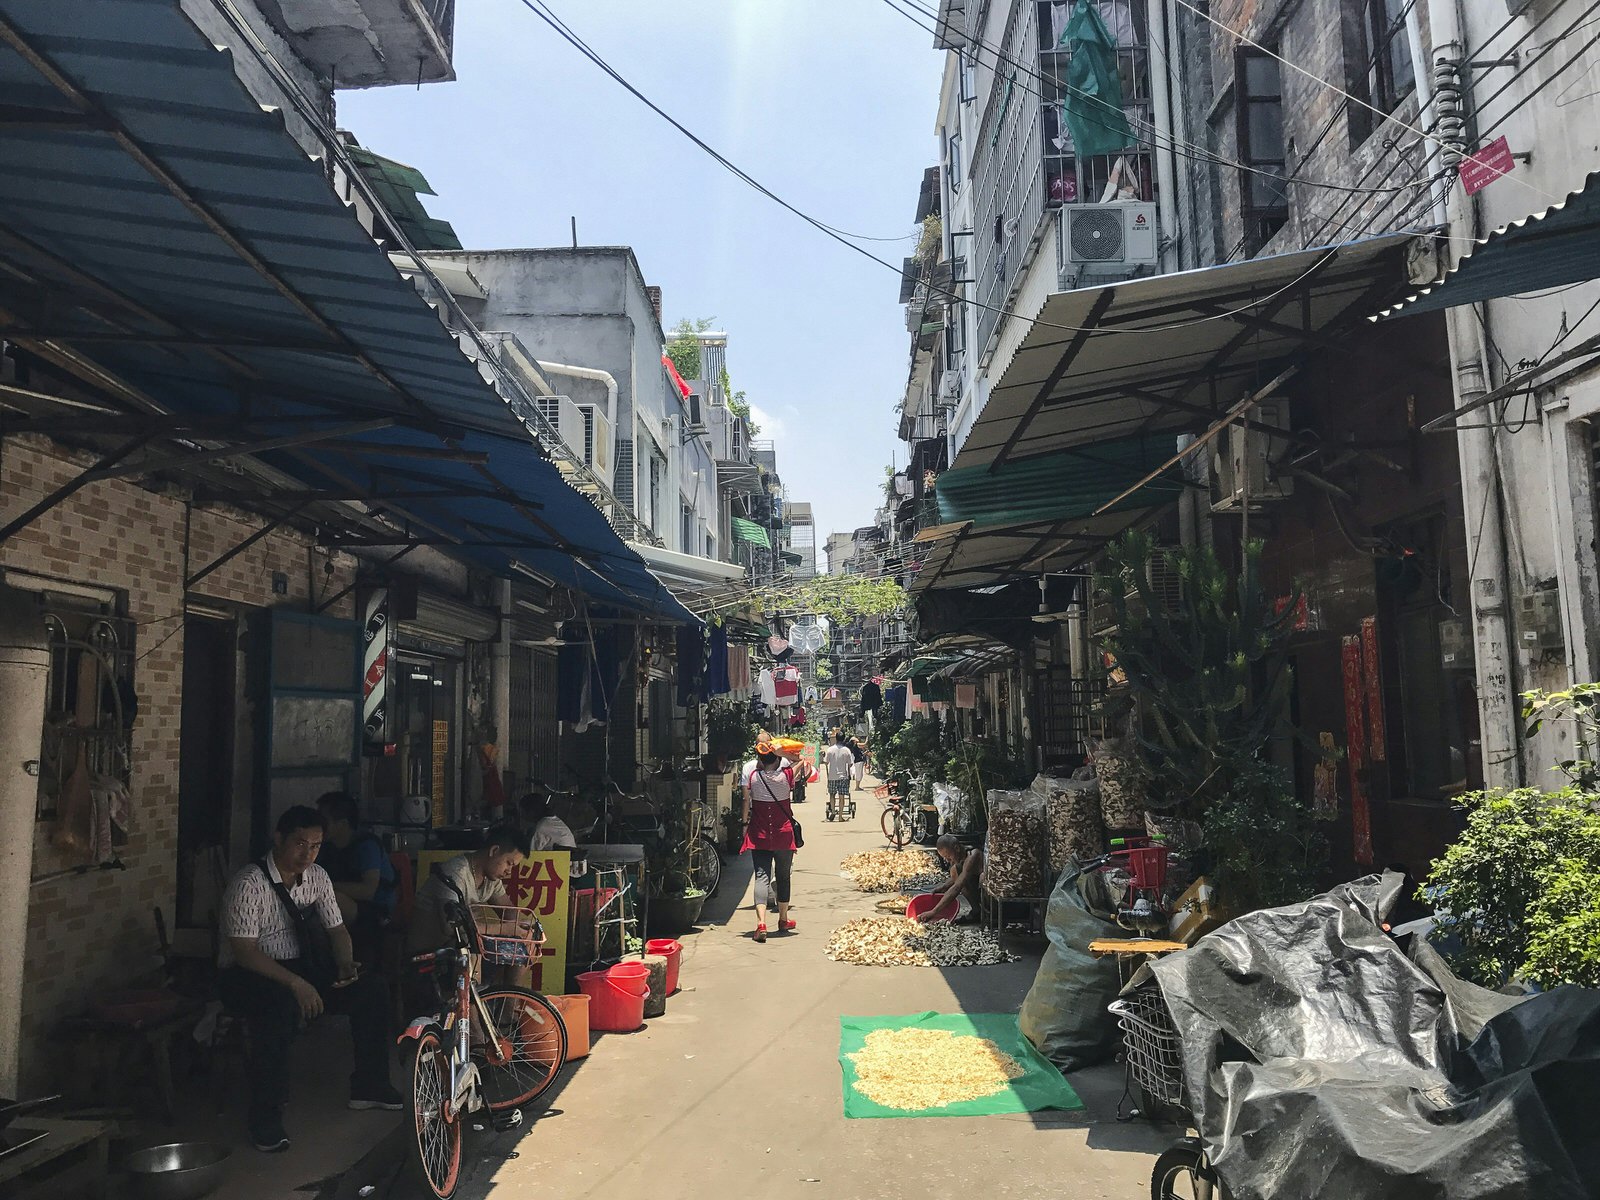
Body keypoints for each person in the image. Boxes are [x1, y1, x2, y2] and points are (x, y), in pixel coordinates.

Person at [217, 806, 401, 1154]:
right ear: (278, 839)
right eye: (300, 843)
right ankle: (266, 1117)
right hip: (248, 975)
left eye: (316, 845)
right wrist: (296, 985)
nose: (307, 853)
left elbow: (337, 930)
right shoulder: (248, 883)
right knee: (278, 1008)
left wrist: (346, 965)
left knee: (372, 989)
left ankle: (370, 1086)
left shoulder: (317, 876)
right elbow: (244, 952)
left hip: (301, 967)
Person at [316, 792, 396, 964]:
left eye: (324, 820)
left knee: (330, 901)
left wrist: (327, 887)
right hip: (345, 906)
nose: (318, 825)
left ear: (342, 824)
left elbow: (368, 891)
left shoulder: (366, 846)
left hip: (375, 911)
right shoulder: (325, 848)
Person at [740, 741, 799, 943]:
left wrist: (744, 823)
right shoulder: (786, 776)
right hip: (784, 835)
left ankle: (761, 923)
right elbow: (800, 760)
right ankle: (783, 919)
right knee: (783, 877)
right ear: (776, 758)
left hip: (760, 835)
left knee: (761, 876)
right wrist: (782, 751)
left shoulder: (754, 778)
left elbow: (747, 801)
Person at [918, 835, 985, 924]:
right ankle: (977, 911)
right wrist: (944, 887)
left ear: (956, 848)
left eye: (949, 857)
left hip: (988, 896)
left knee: (961, 875)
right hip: (975, 888)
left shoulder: (973, 856)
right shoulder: (962, 860)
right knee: (954, 870)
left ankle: (982, 912)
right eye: (945, 858)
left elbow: (957, 886)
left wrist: (933, 912)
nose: (948, 861)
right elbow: (959, 877)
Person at [823, 732, 856, 816]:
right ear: (844, 739)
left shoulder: (830, 749)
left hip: (832, 776)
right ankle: (840, 815)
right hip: (843, 776)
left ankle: (833, 811)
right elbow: (850, 764)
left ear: (836, 739)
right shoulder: (846, 750)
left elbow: (826, 762)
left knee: (832, 795)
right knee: (842, 796)